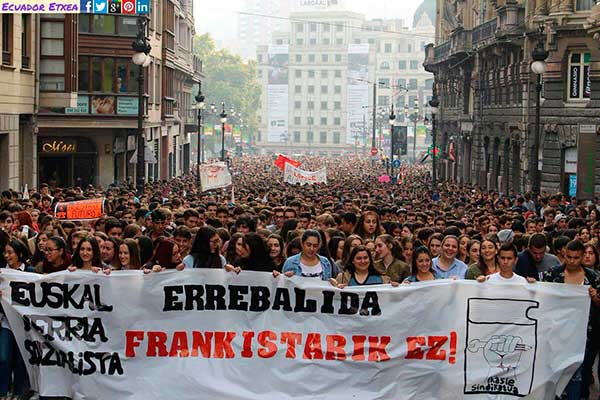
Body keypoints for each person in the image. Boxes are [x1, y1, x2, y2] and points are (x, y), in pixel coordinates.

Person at [542, 240, 600, 400]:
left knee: (577, 375)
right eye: (569, 257)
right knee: (554, 374)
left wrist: (595, 298)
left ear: (582, 257)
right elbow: (541, 297)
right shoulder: (552, 274)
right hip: (555, 333)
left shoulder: (593, 277)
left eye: (576, 258)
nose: (572, 261)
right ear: (564, 255)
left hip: (583, 336)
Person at [1, 240, 33, 400]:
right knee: (3, 357)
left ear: (20, 254)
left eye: (10, 252)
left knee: (21, 360)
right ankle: (3, 391)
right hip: (6, 322)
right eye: (5, 252)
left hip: (24, 324)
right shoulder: (1, 273)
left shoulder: (30, 271)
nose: (7, 256)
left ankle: (18, 393)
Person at [330, 245, 395, 288]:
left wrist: (395, 287)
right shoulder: (342, 278)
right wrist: (336, 288)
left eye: (365, 258)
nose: (363, 261)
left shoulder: (383, 279)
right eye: (359, 258)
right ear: (352, 261)